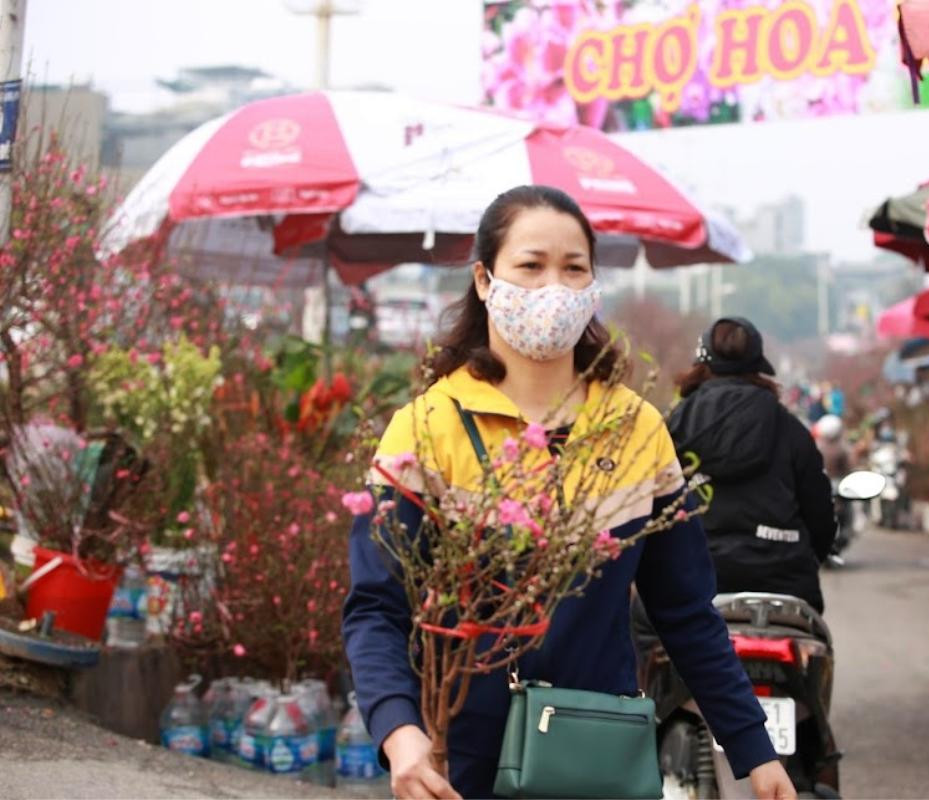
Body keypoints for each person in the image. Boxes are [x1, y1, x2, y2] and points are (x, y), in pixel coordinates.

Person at [342, 187, 793, 800]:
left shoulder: (637, 431)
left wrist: (754, 751)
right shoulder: (426, 430)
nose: (553, 287)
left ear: (592, 284)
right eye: (530, 265)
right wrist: (399, 730)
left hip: (594, 754)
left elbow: (685, 611)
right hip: (456, 762)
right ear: (484, 279)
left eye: (573, 267)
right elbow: (376, 608)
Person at [667, 317, 837, 613]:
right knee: (816, 650)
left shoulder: (673, 426)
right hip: (785, 583)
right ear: (758, 365)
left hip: (693, 581)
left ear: (701, 364)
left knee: (643, 635)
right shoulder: (791, 429)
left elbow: (648, 506)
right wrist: (809, 557)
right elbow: (820, 512)